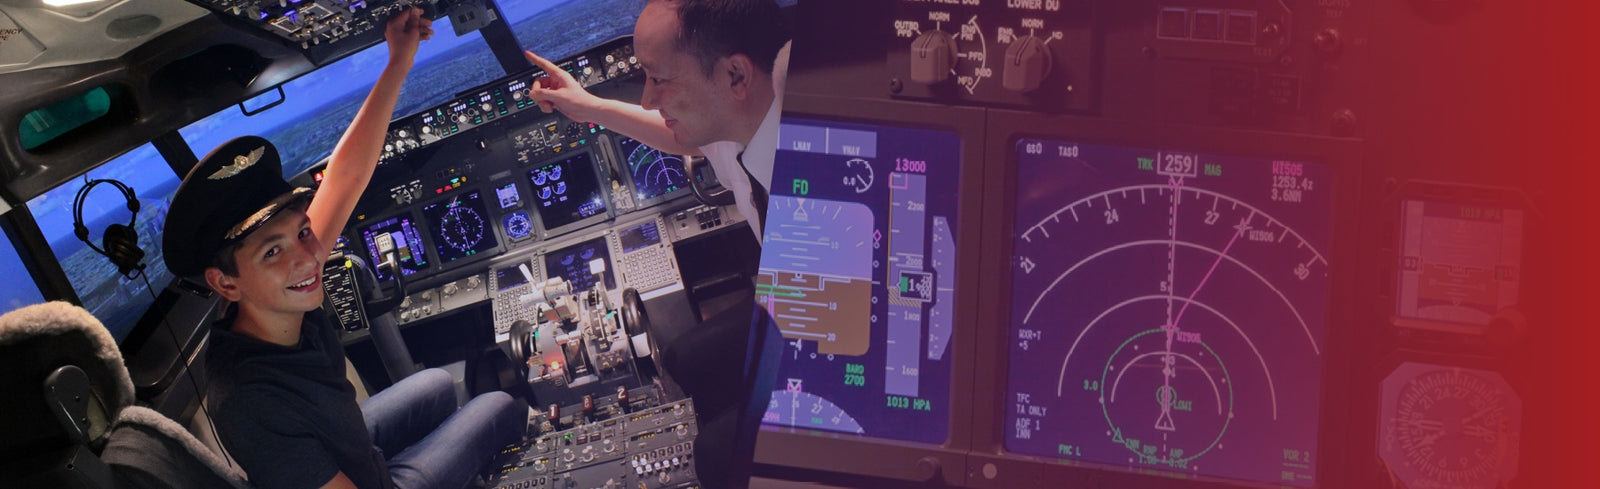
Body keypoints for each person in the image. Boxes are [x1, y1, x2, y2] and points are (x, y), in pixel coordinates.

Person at [160, 9, 521, 489]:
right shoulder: (253, 405)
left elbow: (346, 176)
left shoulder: (276, 298)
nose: (307, 259)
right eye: (272, 252)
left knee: (437, 385)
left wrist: (398, 60)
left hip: (353, 446)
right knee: (498, 405)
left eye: (302, 233)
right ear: (225, 282)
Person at [524, 0, 790, 243]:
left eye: (659, 79)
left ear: (736, 75)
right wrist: (587, 107)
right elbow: (679, 136)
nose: (647, 101)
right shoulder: (740, 127)